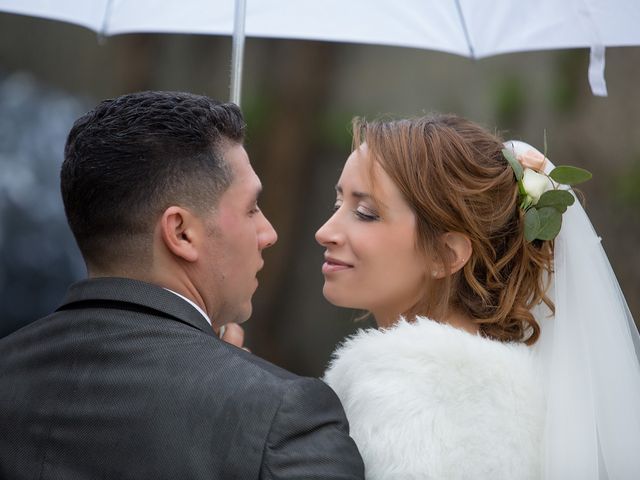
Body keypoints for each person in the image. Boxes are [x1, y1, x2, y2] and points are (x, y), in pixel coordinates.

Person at [0, 91, 364, 479]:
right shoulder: (283, 418)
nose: (268, 233)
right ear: (181, 232)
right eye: (251, 208)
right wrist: (235, 389)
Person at [316, 113, 640, 479]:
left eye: (365, 213)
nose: (325, 232)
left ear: (447, 254)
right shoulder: (536, 401)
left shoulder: (398, 390)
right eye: (337, 204)